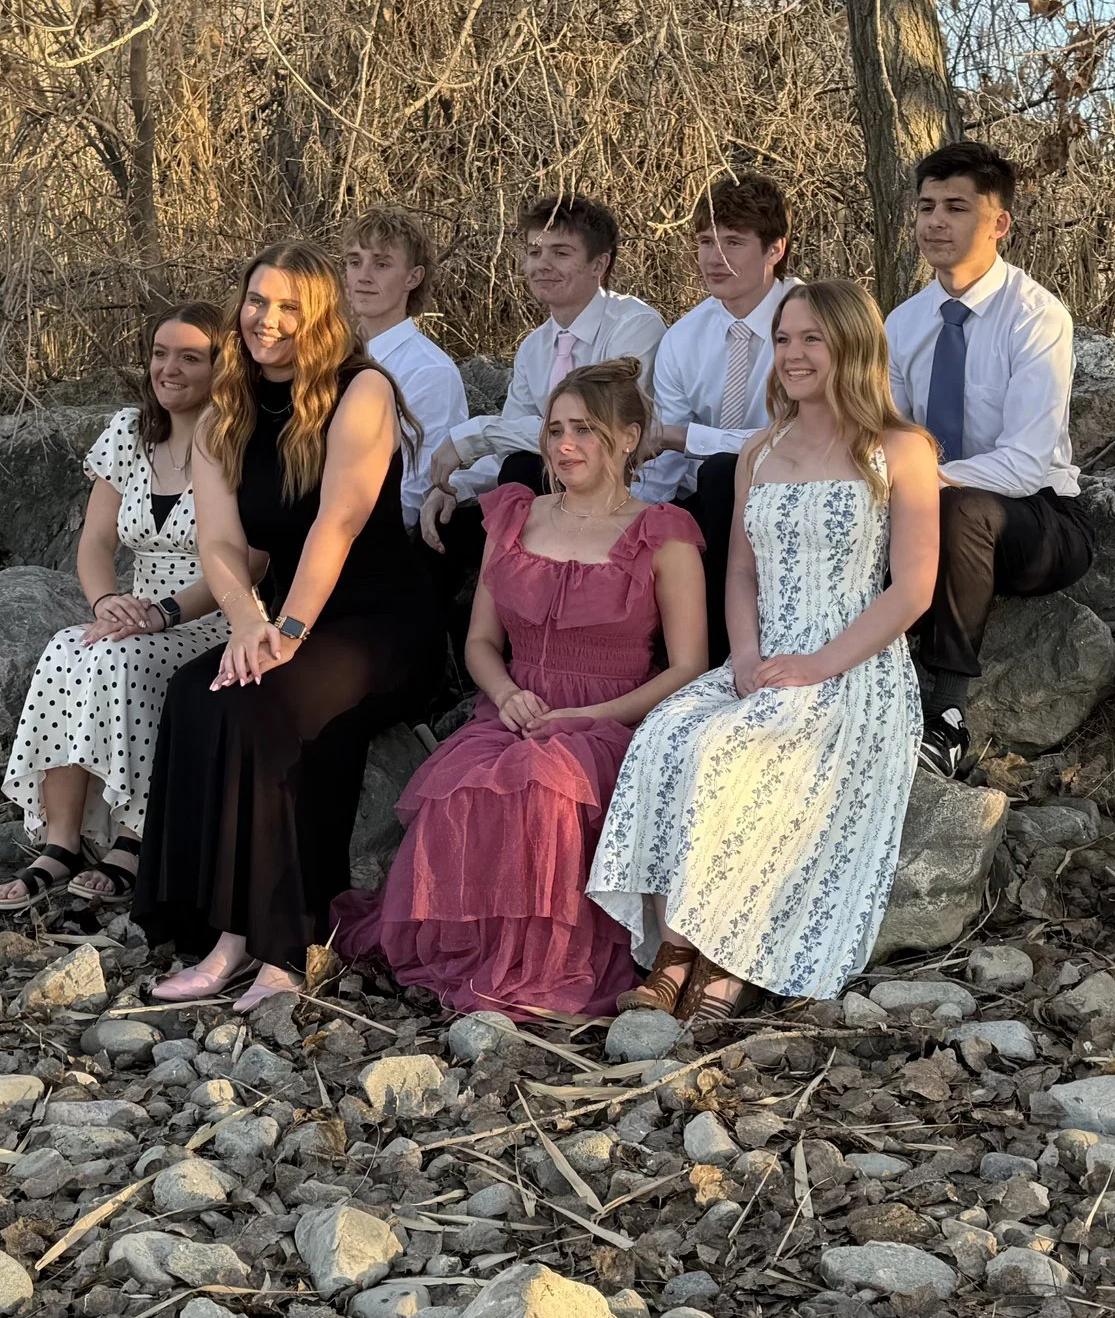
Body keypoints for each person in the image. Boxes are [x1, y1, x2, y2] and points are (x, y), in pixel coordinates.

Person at [586, 280, 940, 1020]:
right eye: (784, 339)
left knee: (736, 751)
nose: (794, 354)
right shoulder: (760, 449)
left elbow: (913, 589)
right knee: (667, 734)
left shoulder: (899, 449)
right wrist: (744, 657)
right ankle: (674, 949)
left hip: (853, 665)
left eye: (813, 338)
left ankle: (727, 954)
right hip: (762, 655)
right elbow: (742, 571)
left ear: (853, 345)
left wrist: (818, 665)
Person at [332, 362, 707, 1017]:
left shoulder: (663, 532)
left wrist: (586, 714)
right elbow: (480, 641)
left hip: (612, 718)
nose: (565, 445)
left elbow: (687, 666)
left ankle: (544, 966)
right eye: (555, 430)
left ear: (628, 437)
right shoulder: (514, 515)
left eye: (584, 430)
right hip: (516, 706)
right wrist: (505, 695)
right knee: (462, 786)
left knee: (549, 792)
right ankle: (474, 957)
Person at [137, 241, 443, 1011]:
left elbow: (337, 522)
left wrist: (289, 633)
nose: (266, 319)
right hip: (283, 616)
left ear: (320, 315)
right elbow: (219, 543)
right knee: (197, 691)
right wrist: (249, 624)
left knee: (268, 704)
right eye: (256, 300)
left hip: (379, 624)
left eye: (288, 307)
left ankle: (284, 943)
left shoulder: (362, 390)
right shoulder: (226, 407)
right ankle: (222, 931)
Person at [0, 303, 241, 910]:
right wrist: (107, 602)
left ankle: (135, 837)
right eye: (160, 353)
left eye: (190, 357)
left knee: (121, 662)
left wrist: (162, 614)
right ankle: (62, 841)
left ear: (221, 368)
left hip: (214, 613)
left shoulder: (237, 442)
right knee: (67, 648)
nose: (169, 369)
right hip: (135, 606)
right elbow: (96, 542)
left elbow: (247, 560)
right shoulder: (129, 431)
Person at [882, 140, 1094, 777]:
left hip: (1038, 520)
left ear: (999, 223)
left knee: (963, 511)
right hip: (927, 506)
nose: (935, 222)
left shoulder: (1036, 317)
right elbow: (887, 436)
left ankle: (945, 715)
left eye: (956, 208)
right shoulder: (902, 324)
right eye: (926, 207)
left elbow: (1024, 464)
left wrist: (915, 482)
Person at [417, 192, 665, 550]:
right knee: (443, 524)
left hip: (622, 489)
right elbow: (510, 439)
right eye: (535, 252)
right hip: (555, 486)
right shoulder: (534, 347)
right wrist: (456, 486)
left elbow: (597, 429)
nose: (542, 265)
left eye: (561, 253)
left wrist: (476, 434)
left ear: (599, 264)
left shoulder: (634, 326)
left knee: (522, 470)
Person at [634, 174, 795, 662]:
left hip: (794, 489)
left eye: (733, 242)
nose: (713, 257)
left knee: (723, 472)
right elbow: (664, 458)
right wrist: (631, 517)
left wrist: (689, 438)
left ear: (774, 249)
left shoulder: (810, 323)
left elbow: (798, 436)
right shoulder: (685, 336)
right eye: (706, 241)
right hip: (704, 500)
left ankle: (723, 657)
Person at [343, 208, 467, 533]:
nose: (363, 276)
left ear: (413, 277)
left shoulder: (430, 372)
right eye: (355, 262)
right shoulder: (328, 357)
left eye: (381, 264)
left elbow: (413, 495)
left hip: (372, 539)